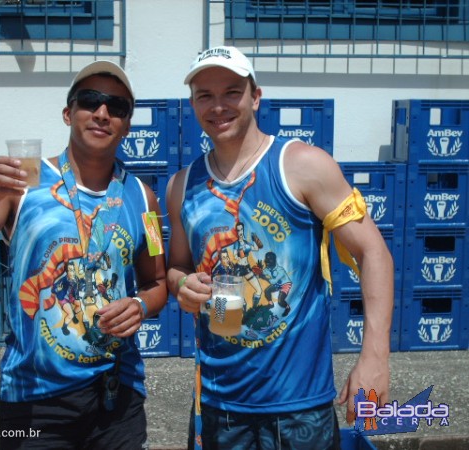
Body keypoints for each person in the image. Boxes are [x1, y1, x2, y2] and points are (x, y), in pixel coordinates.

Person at [0, 60, 167, 449]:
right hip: (35, 400)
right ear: (68, 113)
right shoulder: (24, 183)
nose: (103, 113)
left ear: (127, 124)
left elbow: (157, 283)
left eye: (117, 107)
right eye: (90, 101)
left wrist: (140, 304)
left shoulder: (144, 198)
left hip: (117, 398)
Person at [166, 46, 393, 449]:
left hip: (298, 409)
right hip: (220, 406)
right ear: (192, 104)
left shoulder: (302, 164)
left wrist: (374, 357)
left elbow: (372, 252)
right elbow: (177, 266)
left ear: (256, 96)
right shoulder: (183, 185)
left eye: (231, 92)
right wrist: (183, 286)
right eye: (205, 95)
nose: (218, 106)